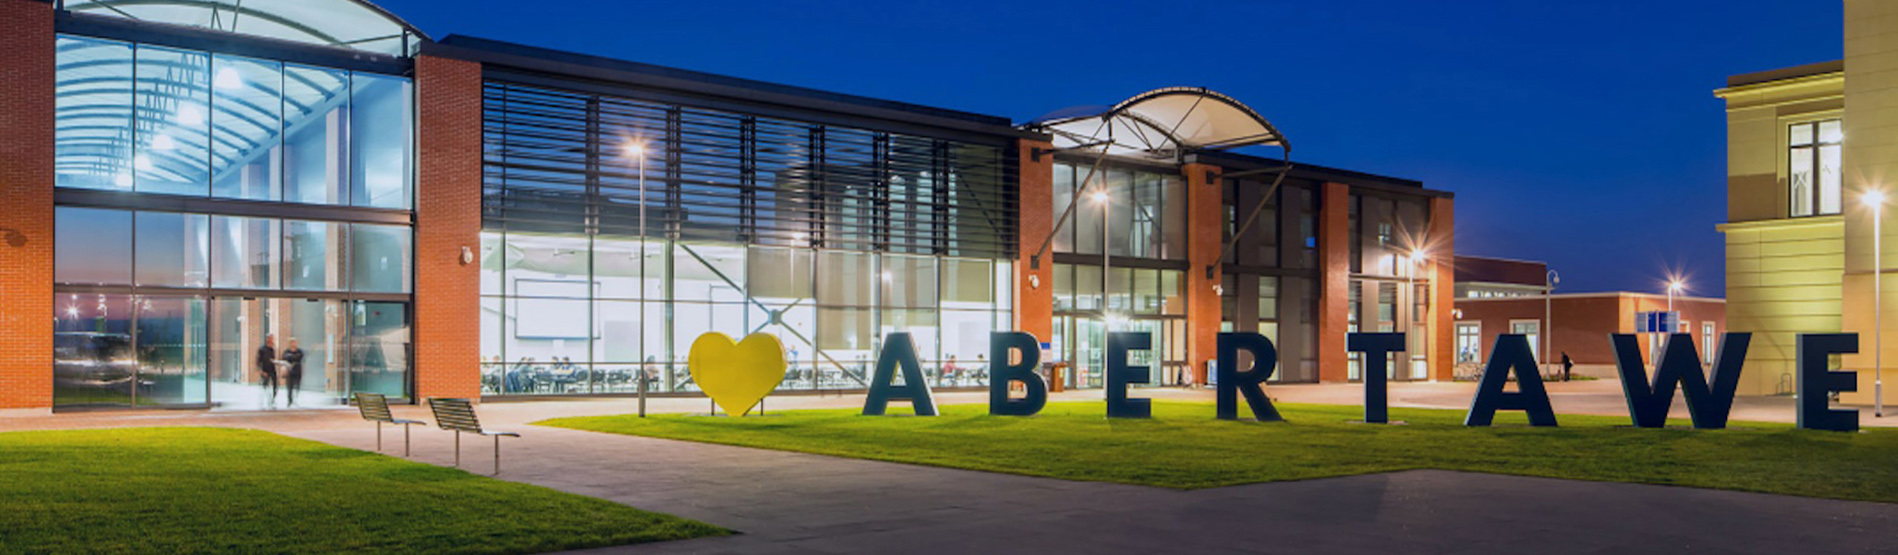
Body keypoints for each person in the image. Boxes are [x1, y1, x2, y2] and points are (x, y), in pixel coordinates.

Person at [255, 335, 278, 406]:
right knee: (265, 386)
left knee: (275, 385)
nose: (272, 340)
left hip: (272, 369)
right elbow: (258, 361)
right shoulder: (262, 349)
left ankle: (272, 399)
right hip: (265, 369)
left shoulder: (272, 349)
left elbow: (273, 359)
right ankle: (264, 400)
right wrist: (261, 371)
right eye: (270, 339)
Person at [282, 338, 306, 406]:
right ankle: (289, 400)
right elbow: (284, 358)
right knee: (289, 387)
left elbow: (299, 357)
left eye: (295, 342)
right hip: (289, 371)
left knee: (297, 385)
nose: (293, 344)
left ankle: (295, 399)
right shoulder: (286, 351)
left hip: (297, 371)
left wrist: (291, 357)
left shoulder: (299, 351)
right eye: (292, 342)